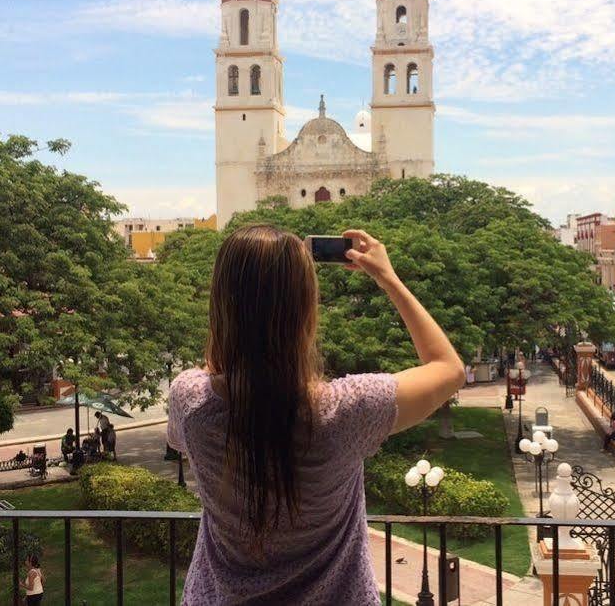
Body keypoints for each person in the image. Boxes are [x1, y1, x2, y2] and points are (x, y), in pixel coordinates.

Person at [166, 226, 464, 605]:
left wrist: (235, 344)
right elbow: (448, 368)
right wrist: (386, 277)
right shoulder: (347, 411)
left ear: (221, 305)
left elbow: (210, 389)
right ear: (306, 309)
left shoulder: (191, 401)